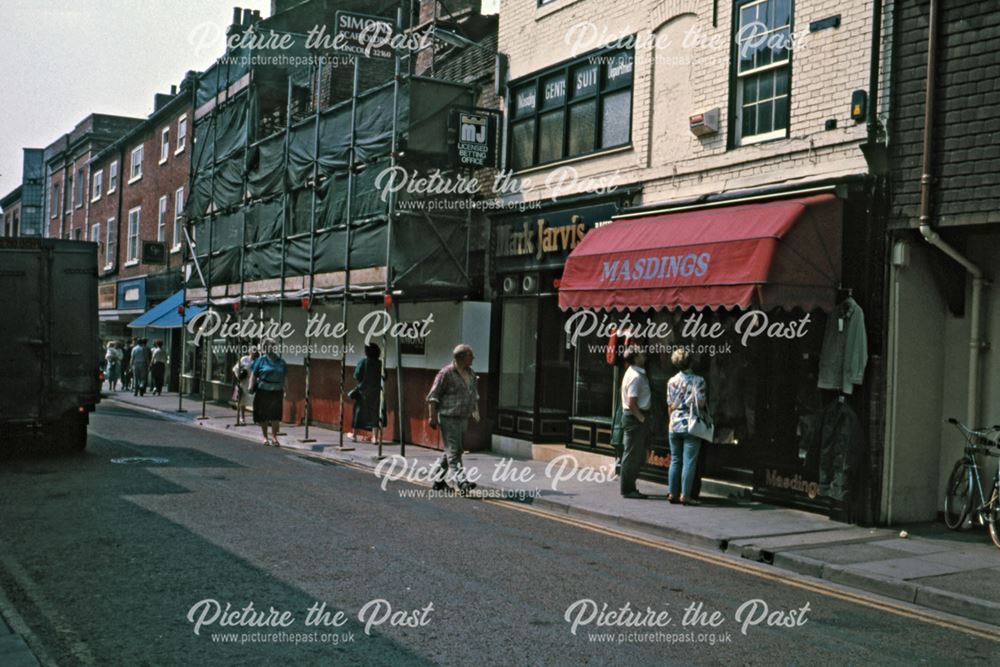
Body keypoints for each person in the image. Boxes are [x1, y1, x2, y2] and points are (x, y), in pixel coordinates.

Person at [427, 344, 480, 493]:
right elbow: (433, 396)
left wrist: (476, 410)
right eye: (471, 356)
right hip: (448, 417)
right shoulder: (446, 373)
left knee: (453, 451)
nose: (473, 359)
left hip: (463, 417)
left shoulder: (471, 373)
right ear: (462, 357)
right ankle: (461, 482)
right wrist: (432, 416)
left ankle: (438, 480)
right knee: (454, 451)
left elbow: (474, 393)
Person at [666, 348, 708, 506]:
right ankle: (685, 495)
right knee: (689, 462)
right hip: (691, 423)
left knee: (675, 460)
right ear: (691, 361)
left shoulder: (671, 381)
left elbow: (669, 405)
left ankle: (672, 492)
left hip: (674, 422)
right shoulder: (699, 380)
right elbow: (702, 403)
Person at [619, 346, 651, 499]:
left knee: (633, 454)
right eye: (641, 353)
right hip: (635, 418)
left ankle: (629, 487)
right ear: (636, 357)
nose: (644, 355)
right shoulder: (636, 376)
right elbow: (632, 403)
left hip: (633, 417)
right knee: (631, 455)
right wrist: (642, 419)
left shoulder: (633, 373)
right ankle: (627, 489)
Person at [249, 338, 287, 447]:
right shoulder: (260, 361)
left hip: (276, 391)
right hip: (263, 390)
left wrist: (286, 389)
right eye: (267, 347)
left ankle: (274, 438)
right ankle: (265, 437)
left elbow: (285, 376)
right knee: (263, 415)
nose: (269, 348)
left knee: (275, 416)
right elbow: (254, 374)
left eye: (271, 346)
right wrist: (251, 386)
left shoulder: (281, 362)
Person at [349, 343, 384, 443]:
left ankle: (354, 435)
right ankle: (374, 438)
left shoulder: (363, 362)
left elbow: (356, 375)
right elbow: (385, 377)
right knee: (375, 414)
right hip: (376, 392)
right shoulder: (380, 363)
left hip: (363, 391)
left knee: (358, 413)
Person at [231, 346, 258, 426]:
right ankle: (242, 418)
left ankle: (255, 418)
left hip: (252, 383)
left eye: (255, 351)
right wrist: (239, 376)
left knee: (254, 400)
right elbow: (235, 368)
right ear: (249, 352)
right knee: (242, 401)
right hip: (243, 382)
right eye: (252, 351)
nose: (254, 353)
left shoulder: (257, 361)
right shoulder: (244, 359)